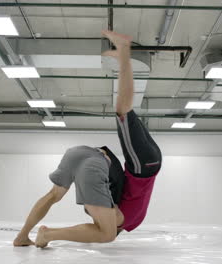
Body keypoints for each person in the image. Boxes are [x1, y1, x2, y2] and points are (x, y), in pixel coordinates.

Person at [13, 30, 162, 248]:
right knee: (123, 111)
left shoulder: (124, 212)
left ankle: (22, 236)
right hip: (139, 166)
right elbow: (105, 228)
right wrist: (100, 228)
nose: (95, 220)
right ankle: (124, 55)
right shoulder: (123, 221)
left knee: (53, 195)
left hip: (85, 154)